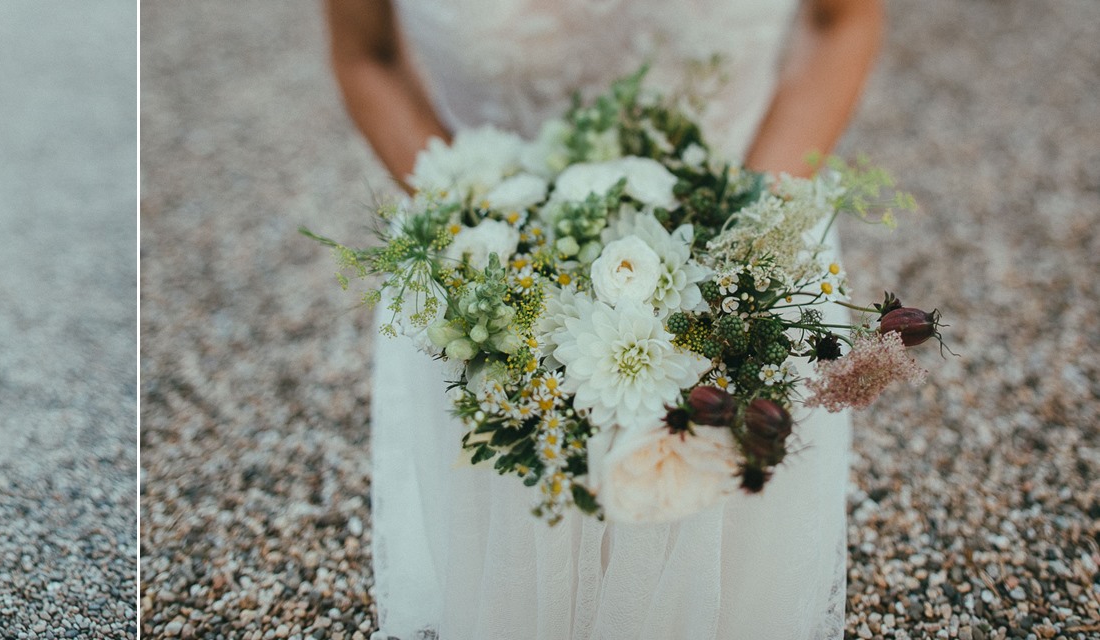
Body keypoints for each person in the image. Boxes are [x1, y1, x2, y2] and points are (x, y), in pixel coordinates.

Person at [325, 0, 882, 637]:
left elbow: (840, 22)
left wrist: (742, 245)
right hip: (489, 294)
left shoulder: (744, 262)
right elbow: (367, 56)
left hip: (741, 271)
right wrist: (480, 236)